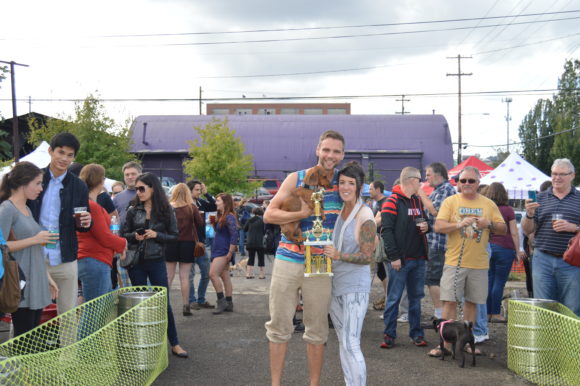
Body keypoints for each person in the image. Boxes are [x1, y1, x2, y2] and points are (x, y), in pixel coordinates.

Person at [264, 130, 344, 386]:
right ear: (318, 150)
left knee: (317, 330)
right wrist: (299, 214)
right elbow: (269, 215)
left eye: (336, 151)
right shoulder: (296, 178)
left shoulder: (344, 184)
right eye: (327, 150)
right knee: (278, 325)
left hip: (320, 262)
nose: (330, 156)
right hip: (288, 258)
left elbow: (357, 217)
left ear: (342, 155)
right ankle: (275, 383)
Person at [429, 166, 506, 357]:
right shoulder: (450, 201)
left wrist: (487, 223)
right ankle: (445, 345)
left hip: (479, 264)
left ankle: (464, 343)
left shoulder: (488, 204)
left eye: (471, 181)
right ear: (457, 183)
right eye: (462, 181)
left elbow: (503, 228)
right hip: (454, 262)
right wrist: (458, 224)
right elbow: (438, 226)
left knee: (472, 304)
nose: (466, 184)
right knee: (449, 303)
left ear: (478, 183)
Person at [122, 172, 188, 358]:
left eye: (142, 188)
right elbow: (123, 234)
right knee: (138, 305)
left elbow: (175, 236)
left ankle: (174, 343)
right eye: (137, 189)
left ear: (153, 188)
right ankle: (143, 344)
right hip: (136, 262)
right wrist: (135, 236)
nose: (139, 192)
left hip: (157, 260)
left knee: (163, 303)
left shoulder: (166, 210)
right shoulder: (133, 209)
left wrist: (156, 235)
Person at [323, 161, 376, 386]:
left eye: (350, 183)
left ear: (359, 186)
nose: (345, 187)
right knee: (343, 342)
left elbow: (368, 257)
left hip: (355, 287)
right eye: (341, 182)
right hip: (334, 285)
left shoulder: (365, 215)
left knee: (352, 343)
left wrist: (338, 255)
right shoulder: (339, 208)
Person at [27, 132, 91, 315]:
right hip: (34, 255)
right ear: (50, 151)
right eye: (61, 152)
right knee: (27, 313)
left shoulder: (79, 186)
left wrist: (87, 222)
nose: (64, 159)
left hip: (66, 258)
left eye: (69, 155)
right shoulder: (34, 179)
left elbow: (83, 224)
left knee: (69, 315)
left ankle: (69, 346)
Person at [0, 162, 59, 337]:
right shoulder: (6, 209)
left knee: (31, 337)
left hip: (36, 278)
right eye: (38, 183)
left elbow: (34, 249)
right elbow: (2, 245)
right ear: (23, 183)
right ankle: (18, 365)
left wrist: (47, 277)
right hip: (20, 281)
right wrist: (35, 239)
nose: (41, 188)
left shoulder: (26, 208)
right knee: (24, 337)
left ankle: (25, 365)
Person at [522, 158, 580, 316]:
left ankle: (570, 341)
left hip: (572, 262)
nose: (557, 178)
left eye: (562, 174)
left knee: (572, 308)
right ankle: (547, 341)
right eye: (554, 174)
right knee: (544, 308)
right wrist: (529, 214)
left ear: (572, 175)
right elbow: (527, 230)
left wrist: (574, 228)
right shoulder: (539, 199)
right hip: (543, 259)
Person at [380, 167, 429, 349]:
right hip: (400, 260)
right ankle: (389, 334)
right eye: (419, 180)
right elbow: (386, 231)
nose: (421, 183)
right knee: (394, 298)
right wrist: (394, 257)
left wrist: (427, 226)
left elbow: (424, 221)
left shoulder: (417, 201)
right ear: (411, 180)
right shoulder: (391, 201)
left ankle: (416, 334)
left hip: (418, 259)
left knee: (416, 299)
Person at [76, 164, 127, 302]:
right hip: (94, 259)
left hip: (93, 259)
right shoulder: (91, 205)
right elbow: (103, 236)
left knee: (100, 309)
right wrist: (123, 243)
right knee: (94, 312)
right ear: (100, 180)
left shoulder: (88, 203)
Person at [417, 162, 456, 320]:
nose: (426, 178)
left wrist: (421, 193)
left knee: (433, 279)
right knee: (435, 279)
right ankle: (441, 313)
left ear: (439, 175)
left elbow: (436, 212)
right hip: (436, 242)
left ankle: (441, 315)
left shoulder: (445, 189)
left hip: (439, 244)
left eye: (428, 175)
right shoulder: (440, 190)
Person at [482, 182, 525, 322]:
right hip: (505, 249)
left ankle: (487, 312)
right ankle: (496, 313)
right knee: (499, 282)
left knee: (489, 281)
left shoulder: (486, 208)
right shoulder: (508, 210)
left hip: (488, 247)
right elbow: (514, 233)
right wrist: (518, 250)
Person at [166, 183, 203, 316]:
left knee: (168, 277)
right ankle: (186, 305)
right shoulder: (192, 207)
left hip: (170, 243)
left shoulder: (168, 207)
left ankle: (164, 306)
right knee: (184, 277)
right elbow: (200, 224)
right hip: (188, 243)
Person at [186, 179, 216, 309]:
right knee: (190, 275)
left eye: (200, 189)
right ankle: (192, 300)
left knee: (206, 273)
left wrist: (206, 193)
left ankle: (201, 299)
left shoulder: (200, 203)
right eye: (196, 190)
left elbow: (214, 206)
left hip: (201, 243)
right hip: (187, 244)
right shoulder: (184, 204)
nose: (199, 192)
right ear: (189, 191)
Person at [113, 161, 142, 287]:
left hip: (145, 245)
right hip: (124, 245)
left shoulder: (149, 193)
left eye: (133, 174)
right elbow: (114, 220)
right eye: (127, 174)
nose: (130, 177)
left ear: (140, 174)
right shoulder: (118, 198)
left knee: (144, 285)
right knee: (125, 285)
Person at [209, 193, 238, 314]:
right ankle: (229, 303)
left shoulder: (229, 216)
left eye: (218, 201)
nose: (216, 203)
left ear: (225, 203)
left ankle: (221, 302)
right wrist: (214, 224)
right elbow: (221, 233)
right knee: (225, 276)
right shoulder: (222, 216)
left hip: (224, 250)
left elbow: (234, 235)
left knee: (212, 274)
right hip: (219, 249)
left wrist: (230, 252)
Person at [369, 181, 388, 312]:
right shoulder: (377, 204)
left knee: (384, 271)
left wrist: (371, 222)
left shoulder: (385, 203)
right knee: (381, 272)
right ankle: (387, 297)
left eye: (370, 189)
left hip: (383, 242)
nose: (369, 191)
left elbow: (376, 222)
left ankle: (388, 298)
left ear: (378, 189)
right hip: (377, 241)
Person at [244, 207, 266, 279]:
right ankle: (261, 274)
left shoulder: (250, 220)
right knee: (261, 258)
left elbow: (245, 229)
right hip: (260, 242)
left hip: (250, 241)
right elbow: (264, 231)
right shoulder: (262, 221)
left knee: (251, 257)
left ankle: (248, 273)